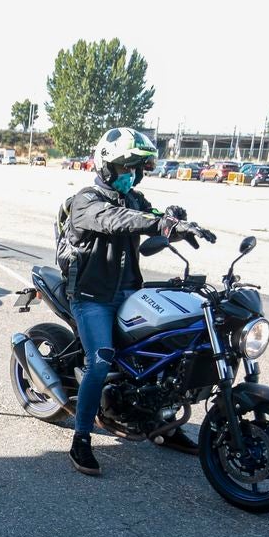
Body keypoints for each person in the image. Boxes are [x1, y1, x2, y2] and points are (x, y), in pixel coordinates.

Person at [59, 127, 216, 476]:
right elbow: (119, 222)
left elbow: (152, 217)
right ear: (107, 166)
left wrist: (178, 223)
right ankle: (81, 438)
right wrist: (159, 223)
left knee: (166, 356)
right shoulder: (85, 201)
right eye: (127, 167)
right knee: (100, 360)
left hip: (130, 291)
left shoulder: (134, 200)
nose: (133, 175)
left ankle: (166, 426)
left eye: (137, 169)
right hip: (91, 297)